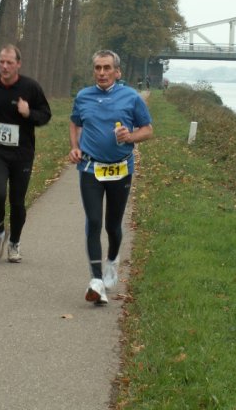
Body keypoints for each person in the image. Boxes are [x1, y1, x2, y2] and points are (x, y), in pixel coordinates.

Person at [68, 50, 153, 305]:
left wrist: (131, 137)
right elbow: (74, 122)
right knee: (93, 222)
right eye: (97, 68)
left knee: (112, 226)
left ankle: (113, 261)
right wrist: (74, 147)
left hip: (120, 169)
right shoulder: (83, 96)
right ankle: (95, 281)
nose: (102, 73)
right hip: (91, 168)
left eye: (107, 68)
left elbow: (148, 130)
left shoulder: (131, 98)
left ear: (117, 72)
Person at [0, 44, 52, 263]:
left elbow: (45, 115)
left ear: (18, 64)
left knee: (17, 202)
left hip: (22, 154)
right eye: (1, 61)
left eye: (9, 62)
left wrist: (29, 113)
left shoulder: (31, 87)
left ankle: (14, 243)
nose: (5, 66)